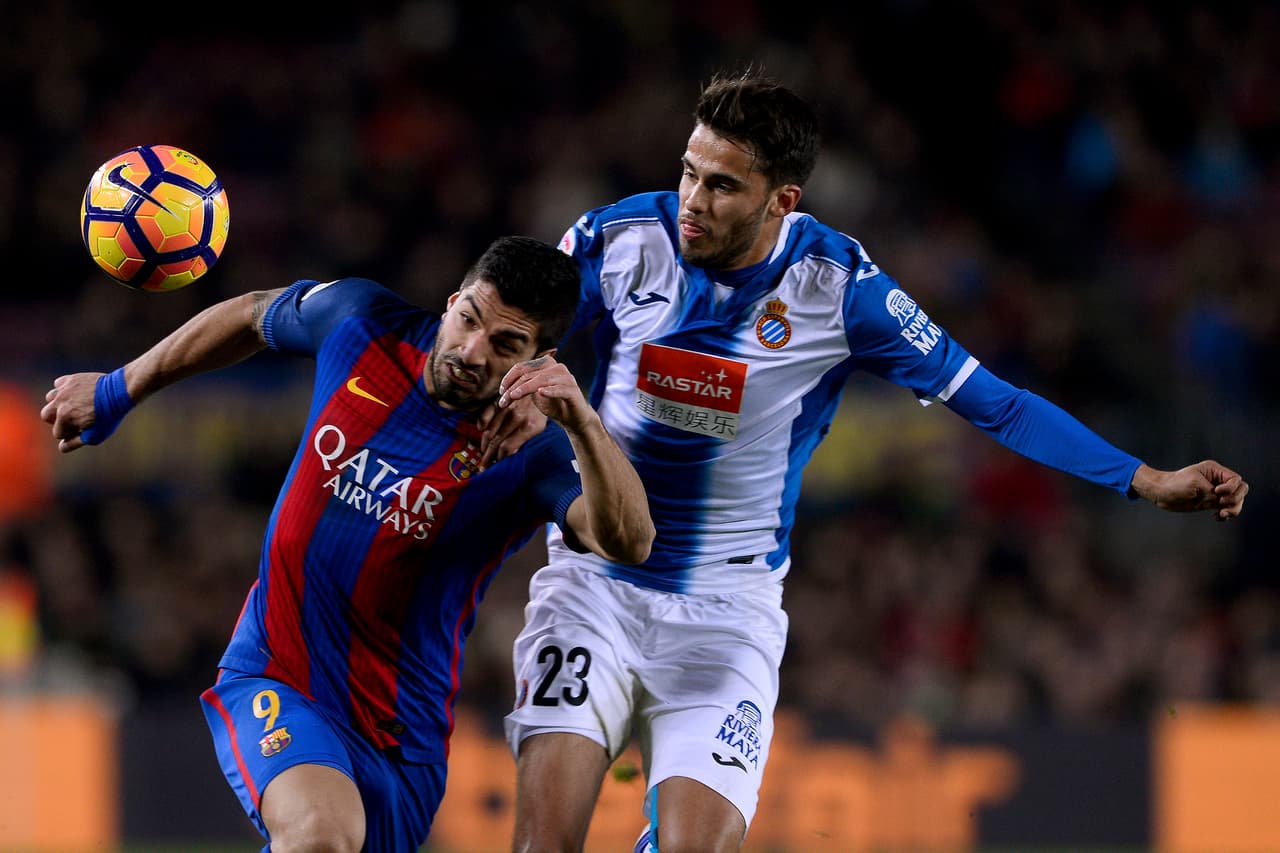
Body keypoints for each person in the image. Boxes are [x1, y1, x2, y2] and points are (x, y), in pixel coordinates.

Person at [502, 71, 1250, 853]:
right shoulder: (618, 239)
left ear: (781, 200)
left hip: (727, 613)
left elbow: (997, 403)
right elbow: (509, 327)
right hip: (594, 587)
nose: (692, 199)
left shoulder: (843, 290)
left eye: (722, 185)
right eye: (689, 172)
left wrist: (1143, 478)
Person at [40, 235, 655, 853]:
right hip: (280, 674)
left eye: (505, 344)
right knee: (318, 838)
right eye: (469, 320)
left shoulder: (533, 451)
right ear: (452, 303)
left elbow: (630, 542)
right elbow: (252, 313)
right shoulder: (361, 323)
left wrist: (582, 421)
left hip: (403, 739)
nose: (472, 350)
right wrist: (118, 389)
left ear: (539, 360)